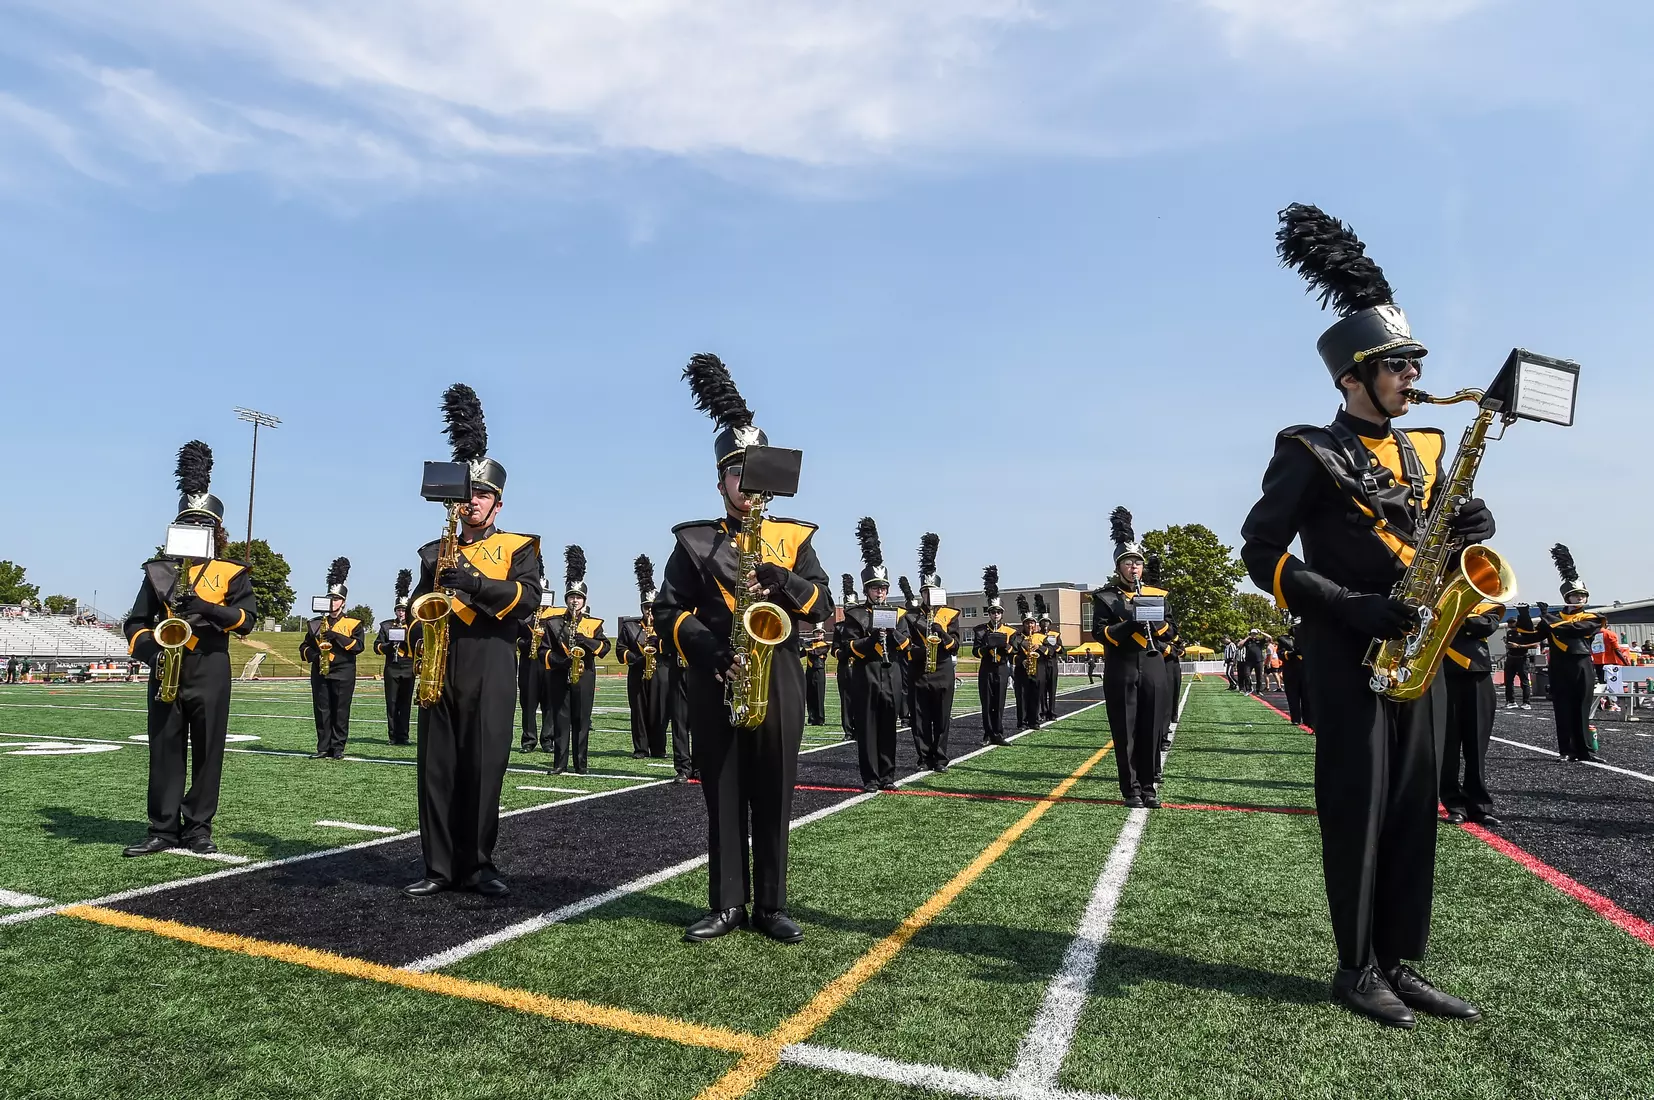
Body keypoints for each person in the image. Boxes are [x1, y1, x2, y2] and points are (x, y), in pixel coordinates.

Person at [1240, 203, 1491, 1027]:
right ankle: (1354, 968)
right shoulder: (1306, 447)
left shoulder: (1425, 450)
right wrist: (1349, 606)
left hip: (1423, 651)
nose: (1413, 379)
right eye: (1398, 367)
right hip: (1349, 652)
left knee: (1416, 805)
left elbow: (1433, 545)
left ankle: (1399, 961)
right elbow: (1262, 552)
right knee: (1360, 804)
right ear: (1353, 375)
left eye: (1415, 365)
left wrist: (1468, 539)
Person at [653, 353, 832, 943]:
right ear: (721, 481)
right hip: (716, 675)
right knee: (723, 790)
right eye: (735, 474)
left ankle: (772, 905)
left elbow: (825, 608)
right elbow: (666, 611)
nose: (745, 486)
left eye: (753, 475)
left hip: (777, 675)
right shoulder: (694, 540)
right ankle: (727, 903)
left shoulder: (794, 538)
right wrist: (711, 653)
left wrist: (786, 582)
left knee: (775, 789)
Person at [404, 383, 542, 899]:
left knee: (484, 768)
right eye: (468, 496)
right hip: (443, 662)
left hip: (492, 660)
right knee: (437, 769)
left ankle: (478, 865)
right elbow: (419, 607)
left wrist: (474, 584)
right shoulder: (432, 551)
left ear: (498, 504)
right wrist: (422, 631)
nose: (473, 504)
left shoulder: (519, 547)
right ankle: (438, 867)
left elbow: (527, 600)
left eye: (482, 496)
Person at [121, 441, 257, 857]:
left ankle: (198, 827)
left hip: (210, 666)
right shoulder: (159, 572)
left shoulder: (232, 572)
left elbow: (246, 621)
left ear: (217, 531)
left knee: (208, 749)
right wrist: (152, 653)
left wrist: (207, 608)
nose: (195, 528)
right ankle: (162, 828)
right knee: (164, 748)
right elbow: (136, 623)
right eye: (187, 522)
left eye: (203, 523)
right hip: (166, 666)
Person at [1093, 507, 1171, 809]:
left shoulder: (1158, 594)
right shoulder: (1106, 597)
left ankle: (1150, 786)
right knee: (1125, 733)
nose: (1134, 567)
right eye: (1128, 562)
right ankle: (1131, 789)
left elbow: (1172, 632)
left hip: (1153, 666)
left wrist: (1155, 622)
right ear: (1119, 567)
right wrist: (1132, 623)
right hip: (1121, 669)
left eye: (1137, 562)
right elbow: (1102, 634)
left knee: (1152, 728)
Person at [843, 518, 917, 792]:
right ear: (867, 590)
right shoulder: (856, 614)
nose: (881, 592)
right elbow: (847, 649)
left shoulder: (899, 614)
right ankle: (871, 778)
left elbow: (907, 645)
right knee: (868, 730)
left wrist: (892, 635)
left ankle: (888, 776)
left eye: (883, 588)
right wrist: (872, 638)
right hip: (867, 676)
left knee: (888, 728)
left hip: (892, 675)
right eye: (876, 588)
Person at [542, 546, 609, 775]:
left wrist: (586, 641)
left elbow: (604, 648)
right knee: (561, 720)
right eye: (571, 597)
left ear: (584, 601)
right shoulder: (552, 623)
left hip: (585, 676)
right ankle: (559, 763)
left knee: (581, 721)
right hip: (560, 676)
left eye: (578, 598)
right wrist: (559, 661)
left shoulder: (593, 624)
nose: (575, 601)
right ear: (566, 599)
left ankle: (581, 764)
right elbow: (543, 651)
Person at [1535, 546, 1605, 763]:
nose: (1579, 599)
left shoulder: (1592, 617)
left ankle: (1585, 750)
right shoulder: (1553, 618)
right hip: (1559, 665)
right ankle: (1566, 749)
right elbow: (1534, 636)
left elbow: (1574, 631)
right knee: (1563, 707)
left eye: (1582, 595)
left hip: (1582, 664)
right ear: (1567, 596)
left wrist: (1549, 619)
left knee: (1582, 707)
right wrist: (1527, 618)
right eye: (1575, 595)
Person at [1441, 602, 1504, 827]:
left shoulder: (1486, 606)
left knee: (1477, 746)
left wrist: (1456, 618)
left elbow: (1486, 626)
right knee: (1448, 745)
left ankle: (1480, 806)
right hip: (1443, 674)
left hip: (1478, 674)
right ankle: (1454, 805)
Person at [298, 558, 366, 760]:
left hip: (343, 672)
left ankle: (338, 748)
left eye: (336, 599)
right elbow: (304, 647)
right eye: (330, 598)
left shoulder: (354, 623)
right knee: (322, 710)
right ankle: (322, 747)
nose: (333, 602)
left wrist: (337, 636)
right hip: (320, 671)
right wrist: (315, 656)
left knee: (340, 711)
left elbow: (358, 647)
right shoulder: (315, 623)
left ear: (343, 602)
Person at [910, 534, 961, 771]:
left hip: (942, 671)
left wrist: (942, 632)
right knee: (920, 718)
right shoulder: (910, 615)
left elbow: (955, 646)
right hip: (919, 671)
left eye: (933, 591)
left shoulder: (950, 615)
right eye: (925, 591)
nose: (929, 596)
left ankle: (940, 757)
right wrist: (919, 652)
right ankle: (923, 757)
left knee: (941, 717)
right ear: (921, 593)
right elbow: (905, 645)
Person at [616, 555, 667, 759]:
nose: (649, 612)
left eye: (652, 608)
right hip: (637, 671)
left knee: (660, 711)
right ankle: (640, 748)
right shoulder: (630, 627)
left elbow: (671, 646)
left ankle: (659, 748)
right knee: (638, 711)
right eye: (646, 608)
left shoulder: (664, 626)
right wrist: (634, 659)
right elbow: (620, 649)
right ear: (642, 608)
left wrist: (658, 644)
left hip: (660, 673)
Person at [373, 569, 416, 745]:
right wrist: (388, 647)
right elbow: (376, 647)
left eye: (404, 610)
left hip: (408, 666)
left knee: (405, 704)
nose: (401, 613)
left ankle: (403, 736)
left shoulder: (415, 626)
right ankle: (392, 736)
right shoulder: (386, 625)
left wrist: (408, 640)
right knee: (391, 703)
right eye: (398, 610)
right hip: (392, 667)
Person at [972, 566, 1014, 745]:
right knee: (987, 702)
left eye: (998, 612)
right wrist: (986, 649)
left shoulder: (1010, 631)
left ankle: (998, 732)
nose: (995, 615)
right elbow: (975, 651)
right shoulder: (981, 630)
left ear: (1002, 613)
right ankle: (988, 734)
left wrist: (1006, 647)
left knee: (999, 702)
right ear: (988, 613)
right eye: (992, 612)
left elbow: (1015, 650)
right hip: (987, 668)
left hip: (1002, 668)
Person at [518, 580, 559, 752]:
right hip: (529, 663)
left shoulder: (555, 617)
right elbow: (516, 638)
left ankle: (548, 740)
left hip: (549, 665)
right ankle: (528, 740)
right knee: (528, 703)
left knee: (549, 704)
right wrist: (528, 642)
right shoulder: (524, 615)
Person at [832, 574, 859, 742]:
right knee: (846, 700)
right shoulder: (839, 627)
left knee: (861, 699)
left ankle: (861, 728)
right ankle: (848, 730)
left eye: (853, 607)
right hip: (844, 667)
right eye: (847, 607)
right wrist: (841, 654)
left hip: (860, 666)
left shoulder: (863, 623)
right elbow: (833, 648)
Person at [1011, 596, 1042, 732]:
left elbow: (1051, 651)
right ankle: (1022, 722)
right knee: (1022, 698)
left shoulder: (1040, 637)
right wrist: (1021, 661)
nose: (1030, 625)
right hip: (1021, 671)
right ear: (1023, 624)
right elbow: (1011, 654)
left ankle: (1034, 721)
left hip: (1036, 670)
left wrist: (1039, 647)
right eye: (1027, 623)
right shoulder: (1017, 637)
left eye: (1032, 623)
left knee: (1035, 697)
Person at [1503, 606, 1540, 709]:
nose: (1511, 627)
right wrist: (1508, 646)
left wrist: (1519, 646)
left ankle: (1526, 702)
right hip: (1511, 658)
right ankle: (1511, 701)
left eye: (1513, 624)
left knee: (1524, 681)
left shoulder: (1525, 632)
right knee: (1508, 680)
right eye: (1510, 624)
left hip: (1522, 658)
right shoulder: (1509, 632)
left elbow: (1535, 644)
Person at [1277, 621, 1308, 727]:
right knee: (1292, 696)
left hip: (1305, 671)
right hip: (1291, 672)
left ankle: (1308, 719)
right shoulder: (1283, 640)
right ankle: (1295, 718)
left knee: (1307, 697)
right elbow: (1281, 654)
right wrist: (1293, 653)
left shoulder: (1308, 638)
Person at [1036, 599, 1062, 722]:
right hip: (1041, 663)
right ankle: (1043, 711)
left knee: (1052, 688)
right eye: (1043, 622)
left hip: (1052, 663)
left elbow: (1061, 649)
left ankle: (1051, 711)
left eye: (1047, 622)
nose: (1045, 624)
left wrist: (1051, 648)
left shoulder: (1056, 634)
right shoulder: (1036, 635)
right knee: (1042, 688)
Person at [802, 626, 830, 726]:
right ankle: (811, 718)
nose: (818, 634)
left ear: (823, 635)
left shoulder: (825, 645)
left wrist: (804, 645)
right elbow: (801, 654)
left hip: (819, 671)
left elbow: (815, 652)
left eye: (820, 633)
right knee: (809, 695)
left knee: (819, 695)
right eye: (817, 633)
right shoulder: (810, 644)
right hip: (809, 671)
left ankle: (820, 719)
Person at [1241, 629, 1270, 696]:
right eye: (1253, 633)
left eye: (1255, 634)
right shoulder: (1248, 641)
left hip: (1258, 661)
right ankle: (1248, 689)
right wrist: (1247, 637)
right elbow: (1240, 644)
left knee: (1259, 676)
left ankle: (1259, 690)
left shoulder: (1260, 641)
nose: (1254, 635)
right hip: (1249, 661)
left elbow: (1269, 637)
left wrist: (1261, 632)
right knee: (1246, 674)